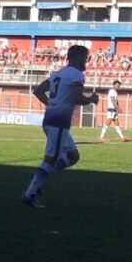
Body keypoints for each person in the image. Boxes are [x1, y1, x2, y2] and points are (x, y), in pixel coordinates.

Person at [20, 45, 99, 209]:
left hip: (51, 120)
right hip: (58, 122)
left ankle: (40, 178)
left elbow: (38, 90)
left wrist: (52, 104)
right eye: (85, 57)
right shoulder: (77, 75)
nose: (87, 61)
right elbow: (77, 98)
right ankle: (30, 193)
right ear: (78, 57)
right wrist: (91, 99)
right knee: (50, 159)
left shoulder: (59, 73)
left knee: (72, 156)